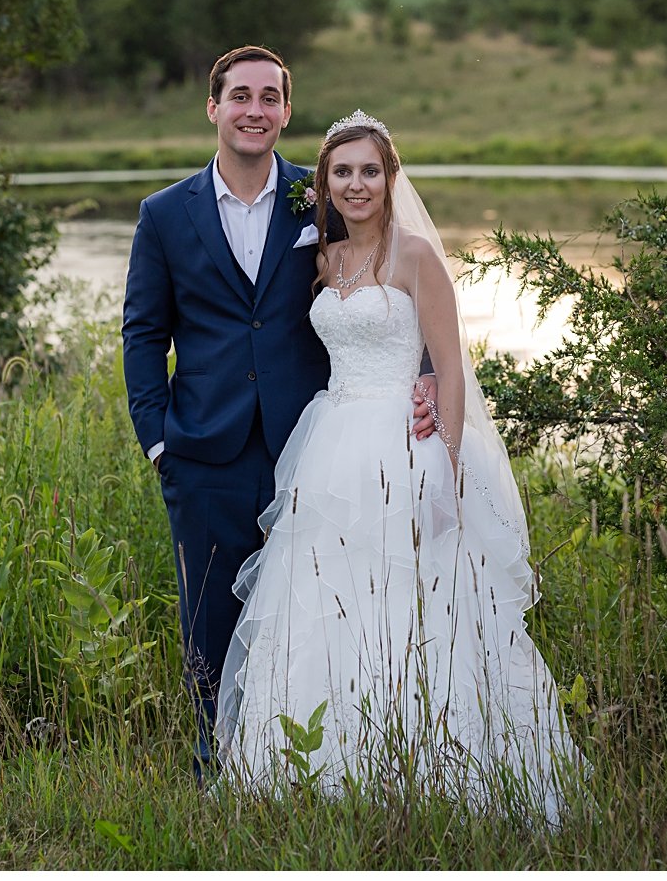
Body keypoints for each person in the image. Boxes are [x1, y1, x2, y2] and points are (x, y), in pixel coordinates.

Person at [215, 110, 584, 818]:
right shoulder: (321, 258)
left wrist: (444, 467)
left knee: (424, 605)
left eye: (370, 171)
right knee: (327, 602)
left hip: (406, 446)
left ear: (391, 179)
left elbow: (448, 367)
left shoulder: (416, 256)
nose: (357, 185)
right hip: (330, 448)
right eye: (342, 172)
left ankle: (446, 773)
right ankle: (326, 768)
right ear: (324, 182)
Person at [122, 48, 438, 779]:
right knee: (208, 617)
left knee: (320, 606)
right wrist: (158, 444)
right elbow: (143, 334)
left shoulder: (320, 195)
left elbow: (390, 276)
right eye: (240, 96)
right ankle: (214, 767)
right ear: (214, 107)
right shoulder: (165, 215)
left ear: (286, 112)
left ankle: (318, 764)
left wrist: (423, 376)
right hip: (203, 451)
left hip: (314, 446)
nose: (254, 109)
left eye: (269, 97)